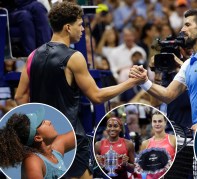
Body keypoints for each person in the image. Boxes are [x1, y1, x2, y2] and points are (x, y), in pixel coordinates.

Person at [14, 2, 145, 179]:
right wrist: (131, 83)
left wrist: (34, 129)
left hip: (42, 140)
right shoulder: (74, 57)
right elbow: (97, 96)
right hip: (70, 138)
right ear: (68, 27)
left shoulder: (32, 55)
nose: (82, 28)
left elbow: (20, 96)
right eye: (80, 24)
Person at [130, 9, 197, 131]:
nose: (182, 30)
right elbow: (168, 95)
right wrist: (144, 81)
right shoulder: (188, 63)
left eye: (187, 25)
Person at [0, 108, 75, 179]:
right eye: (42, 123)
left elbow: (79, 135)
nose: (48, 121)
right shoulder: (32, 161)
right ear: (38, 138)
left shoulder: (54, 149)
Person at [139, 112, 176, 179]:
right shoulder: (145, 143)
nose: (157, 124)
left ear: (165, 123)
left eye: (160, 121)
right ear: (152, 123)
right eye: (154, 121)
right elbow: (141, 166)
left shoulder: (173, 139)